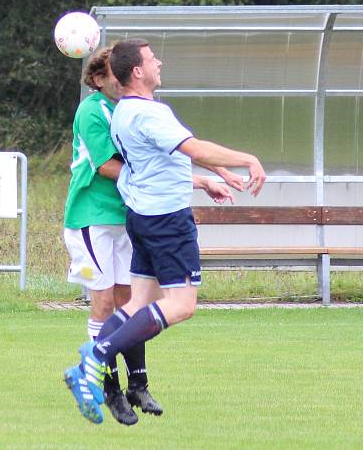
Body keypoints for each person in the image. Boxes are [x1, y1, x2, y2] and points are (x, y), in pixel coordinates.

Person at [63, 38, 267, 425]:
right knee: (181, 305)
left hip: (142, 218)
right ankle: (96, 357)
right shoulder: (142, 114)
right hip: (165, 221)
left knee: (137, 303)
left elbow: (168, 157)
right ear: (137, 71)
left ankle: (120, 374)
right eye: (153, 59)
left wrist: (211, 175)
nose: (160, 63)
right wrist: (246, 159)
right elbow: (195, 148)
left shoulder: (125, 111)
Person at [62, 47, 159, 425]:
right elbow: (105, 166)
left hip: (124, 217)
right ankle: (109, 388)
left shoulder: (129, 109)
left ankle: (138, 383)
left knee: (129, 303)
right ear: (98, 79)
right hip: (91, 218)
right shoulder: (92, 110)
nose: (119, 81)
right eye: (111, 76)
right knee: (103, 304)